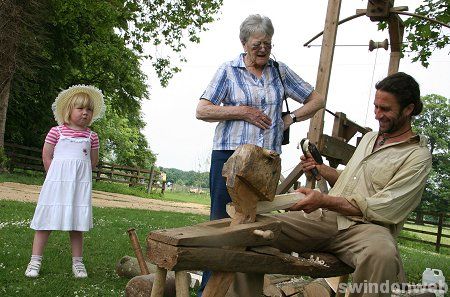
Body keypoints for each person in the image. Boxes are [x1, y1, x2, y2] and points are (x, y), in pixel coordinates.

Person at [226, 72, 432, 297]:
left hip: (368, 229)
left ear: (409, 109)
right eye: (376, 107)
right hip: (326, 218)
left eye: (385, 109)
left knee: (382, 254)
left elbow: (385, 207)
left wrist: (324, 199)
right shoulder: (372, 138)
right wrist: (322, 170)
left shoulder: (417, 156)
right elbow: (351, 181)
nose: (377, 115)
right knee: (251, 231)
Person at [195, 14, 325, 295]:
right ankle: (209, 290)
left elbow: (317, 99)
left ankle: (244, 291)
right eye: (257, 44)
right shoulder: (228, 70)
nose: (263, 49)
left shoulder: (279, 70)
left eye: (268, 43)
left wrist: (291, 118)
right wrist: (242, 111)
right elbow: (203, 110)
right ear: (244, 43)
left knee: (255, 223)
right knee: (220, 223)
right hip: (229, 157)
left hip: (265, 161)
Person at [25, 85, 105, 278]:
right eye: (80, 108)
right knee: (45, 222)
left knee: (77, 225)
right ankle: (35, 261)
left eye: (89, 109)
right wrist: (55, 179)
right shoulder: (56, 132)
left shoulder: (92, 136)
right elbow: (47, 157)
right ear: (69, 110)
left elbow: (92, 161)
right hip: (56, 184)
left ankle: (78, 263)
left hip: (78, 186)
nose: (85, 113)